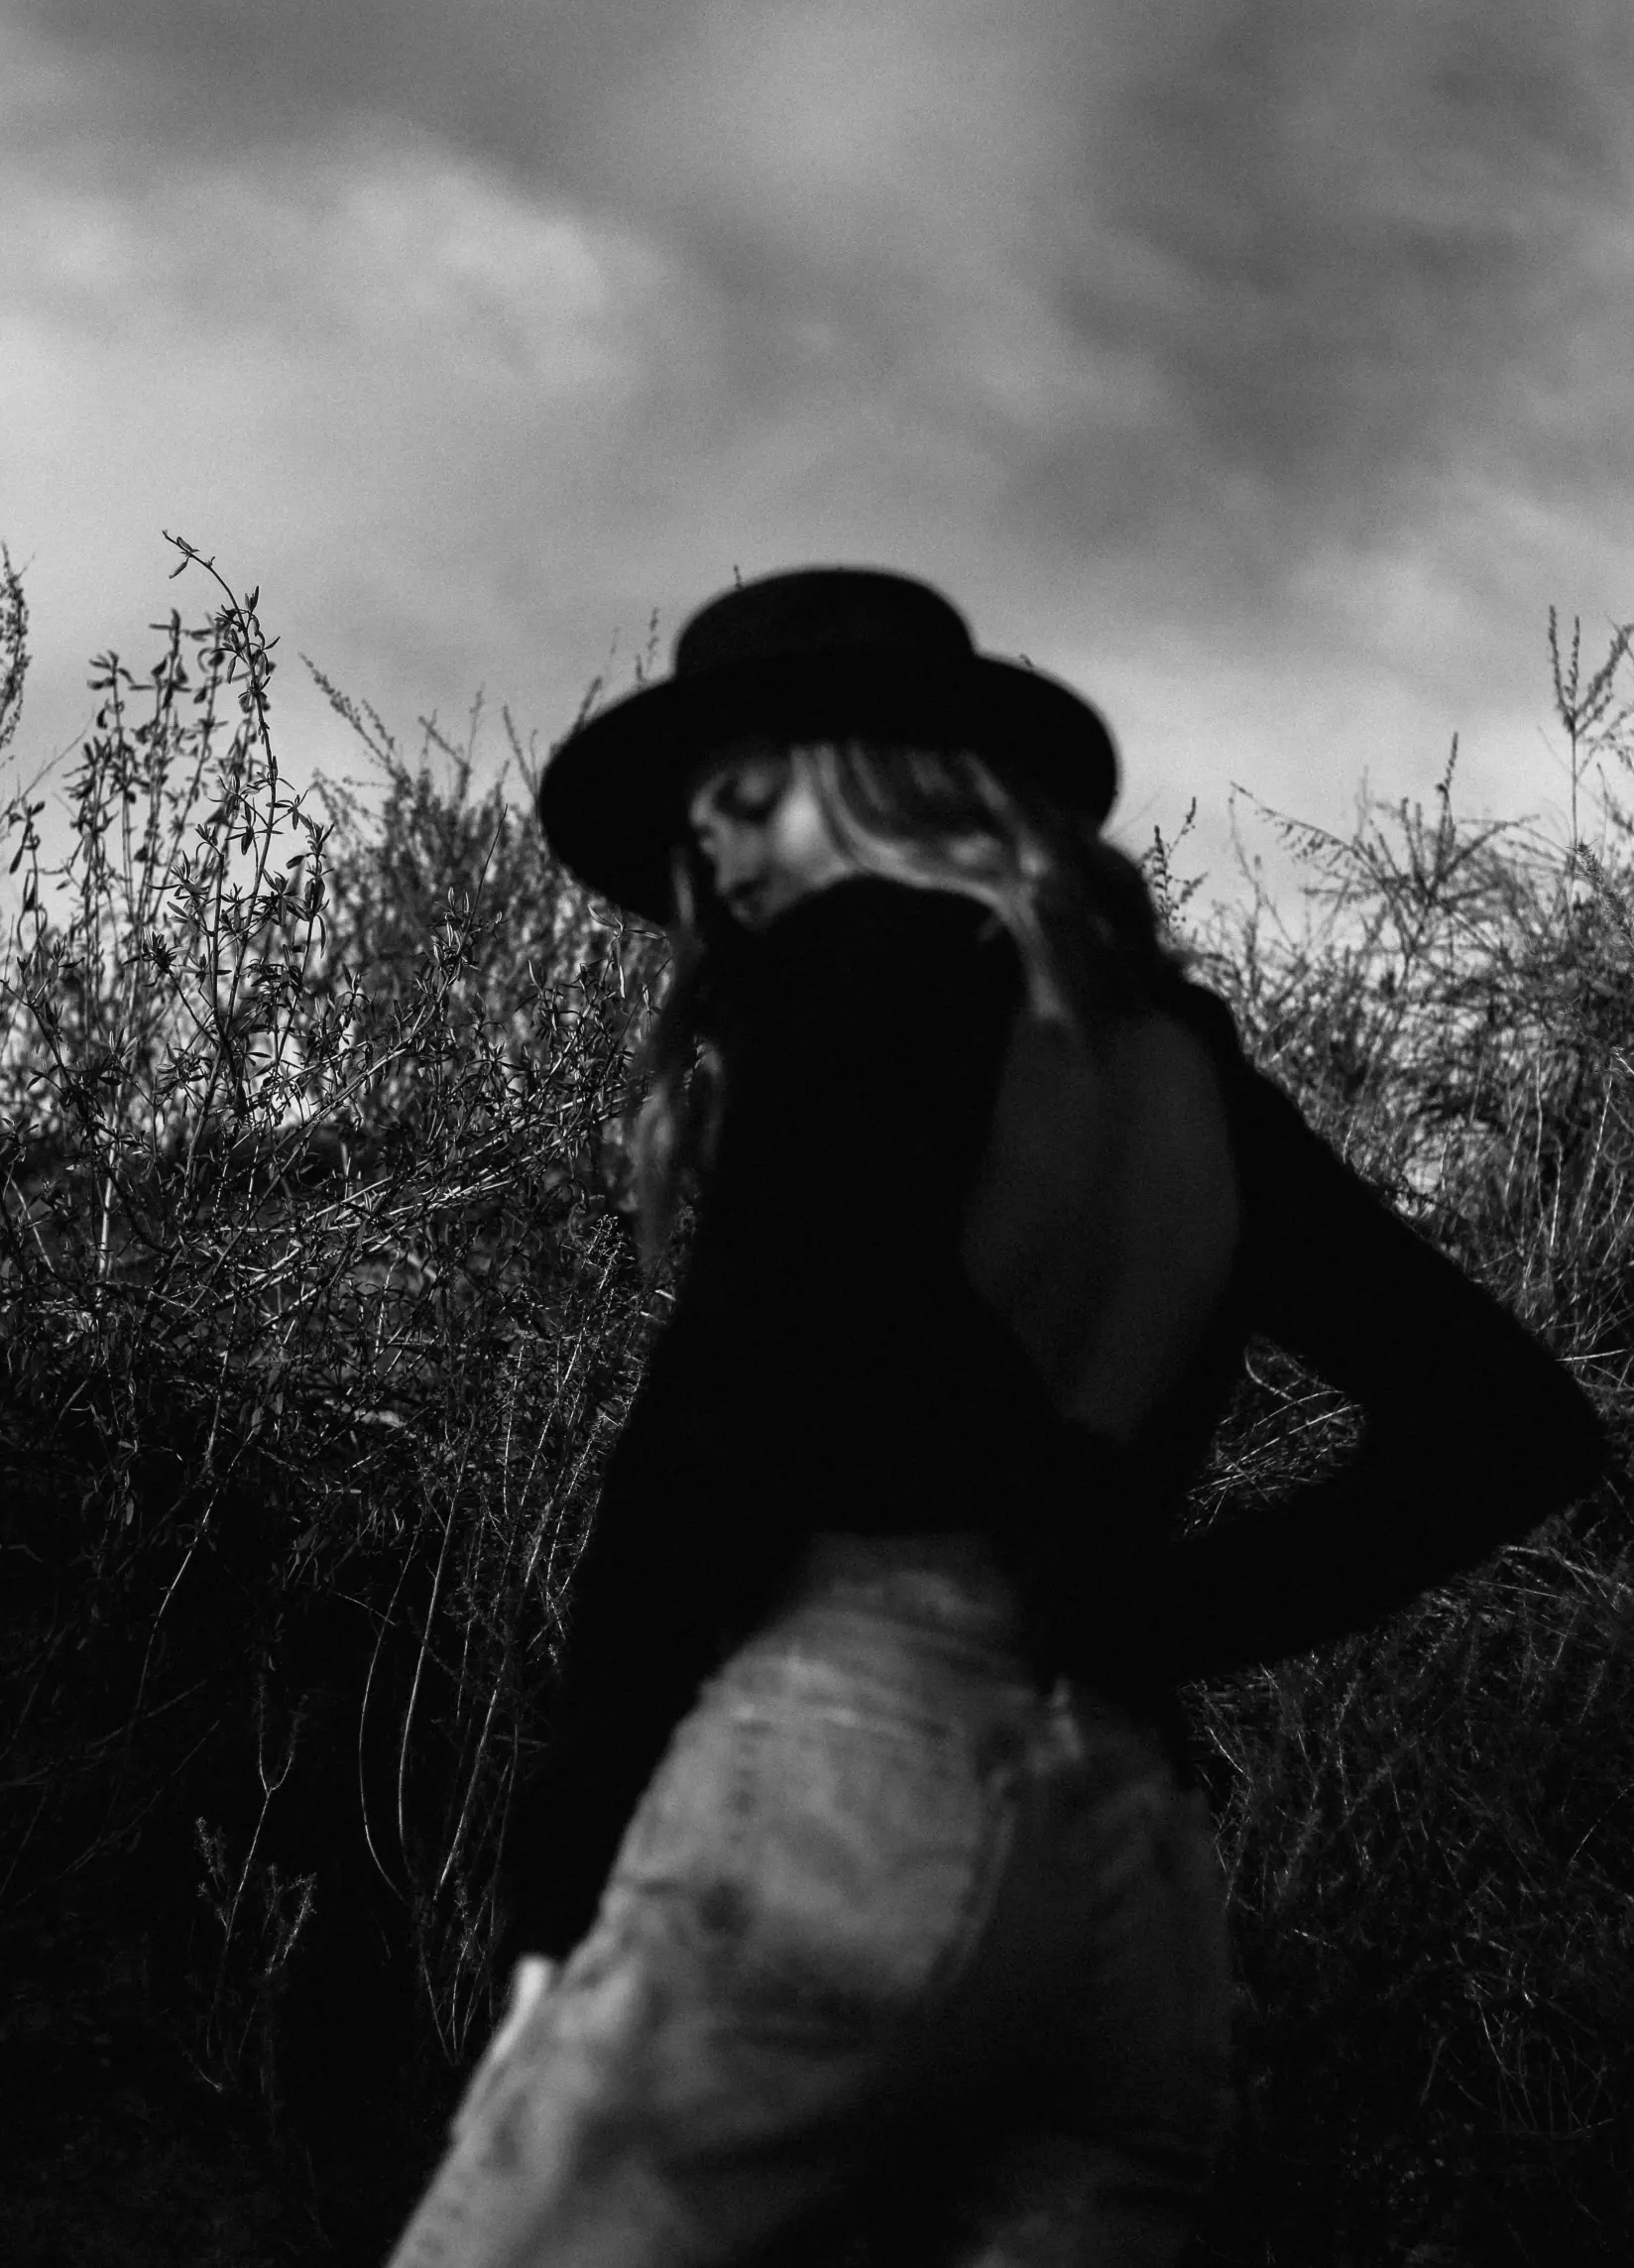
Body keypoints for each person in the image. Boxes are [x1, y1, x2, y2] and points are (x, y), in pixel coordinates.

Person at [384, 568, 1610, 2268]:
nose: (711, 847)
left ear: (879, 775)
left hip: (852, 1796)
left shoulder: (856, 965)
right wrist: (1146, 1611)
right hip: (1134, 1888)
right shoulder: (1187, 1069)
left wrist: (557, 1903)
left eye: (746, 788)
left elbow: (713, 1430)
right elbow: (1507, 1421)